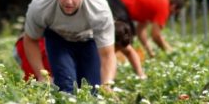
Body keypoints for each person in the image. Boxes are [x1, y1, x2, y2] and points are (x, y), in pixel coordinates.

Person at [22, 0, 116, 93]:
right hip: (58, 39)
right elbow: (30, 40)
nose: (69, 1)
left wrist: (107, 85)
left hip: (88, 39)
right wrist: (41, 75)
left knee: (93, 91)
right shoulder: (40, 5)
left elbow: (107, 54)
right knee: (66, 88)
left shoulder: (99, 9)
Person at [14, 20, 143, 81]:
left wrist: (141, 75)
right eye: (114, 50)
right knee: (39, 82)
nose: (113, 54)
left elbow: (130, 52)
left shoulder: (115, 32)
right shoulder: (88, 36)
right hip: (30, 46)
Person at [107, 0, 184, 58]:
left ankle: (115, 60)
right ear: (174, 6)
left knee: (125, 36)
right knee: (124, 37)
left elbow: (140, 31)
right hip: (118, 1)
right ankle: (114, 61)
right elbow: (156, 36)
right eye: (175, 12)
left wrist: (149, 51)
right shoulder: (164, 5)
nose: (172, 15)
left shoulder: (156, 3)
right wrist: (169, 50)